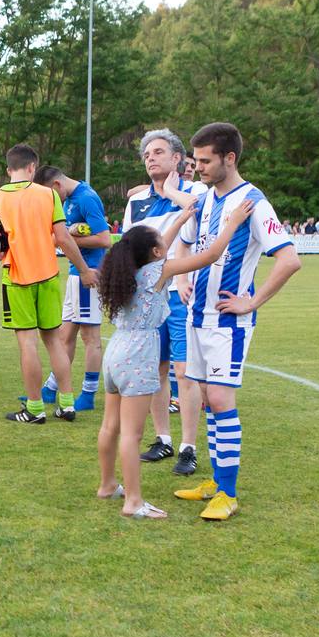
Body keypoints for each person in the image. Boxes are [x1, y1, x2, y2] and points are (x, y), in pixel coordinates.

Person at [96, 178, 252, 518]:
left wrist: (180, 220)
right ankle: (133, 501)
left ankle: (108, 484)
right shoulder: (159, 271)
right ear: (154, 253)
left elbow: (156, 247)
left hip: (115, 353)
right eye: (160, 243)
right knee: (133, 434)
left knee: (110, 426)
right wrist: (233, 222)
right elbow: (210, 254)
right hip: (138, 355)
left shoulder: (125, 271)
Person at [172, 122, 301, 520]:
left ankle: (228, 492)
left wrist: (252, 301)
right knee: (209, 398)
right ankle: (215, 481)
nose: (199, 168)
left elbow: (289, 259)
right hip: (197, 316)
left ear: (230, 158)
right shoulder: (206, 199)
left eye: (206, 161)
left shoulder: (254, 202)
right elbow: (186, 241)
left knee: (222, 399)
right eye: (196, 161)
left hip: (227, 322)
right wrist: (179, 278)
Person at [0, 143, 96, 423]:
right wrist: (84, 270)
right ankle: (67, 404)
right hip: (47, 274)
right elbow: (64, 238)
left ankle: (34, 408)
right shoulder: (48, 196)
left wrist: (1, 240)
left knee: (27, 343)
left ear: (8, 169)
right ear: (33, 167)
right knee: (54, 341)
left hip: (17, 277)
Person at [120, 128, 209, 475]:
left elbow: (199, 219)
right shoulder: (137, 201)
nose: (150, 158)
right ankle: (163, 439)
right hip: (150, 299)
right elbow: (131, 248)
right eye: (146, 155)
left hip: (183, 295)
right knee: (155, 371)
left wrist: (171, 191)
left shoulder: (195, 191)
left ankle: (189, 446)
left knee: (185, 372)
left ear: (177, 159)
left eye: (158, 152)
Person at [35, 163, 111, 412]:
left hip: (89, 273)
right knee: (65, 336)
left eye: (50, 194)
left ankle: (88, 395)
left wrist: (69, 237)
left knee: (90, 338)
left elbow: (104, 239)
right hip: (76, 273)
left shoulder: (86, 198)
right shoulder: (69, 199)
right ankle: (49, 388)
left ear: (57, 184)